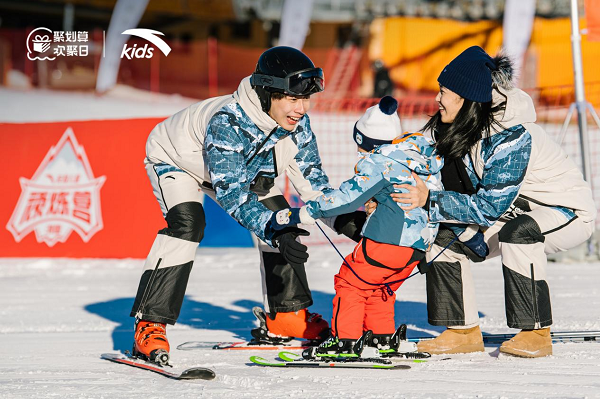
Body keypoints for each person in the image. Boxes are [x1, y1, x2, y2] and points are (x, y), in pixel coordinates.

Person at [130, 46, 366, 364]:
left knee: (282, 217)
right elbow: (233, 196)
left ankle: (287, 315)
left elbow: (316, 190)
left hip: (245, 170)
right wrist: (273, 230)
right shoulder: (227, 123)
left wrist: (362, 229)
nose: (302, 108)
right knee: (188, 224)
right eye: (293, 99)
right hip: (177, 160)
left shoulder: (299, 126)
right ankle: (149, 324)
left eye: (306, 100)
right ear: (268, 93)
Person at [395, 46, 596, 358]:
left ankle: (536, 332)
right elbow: (425, 164)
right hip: (511, 212)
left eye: (444, 91)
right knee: (443, 238)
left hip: (566, 212)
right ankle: (461, 330)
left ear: (465, 96)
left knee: (520, 231)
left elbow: (489, 207)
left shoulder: (512, 136)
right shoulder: (459, 125)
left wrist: (429, 199)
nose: (437, 98)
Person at [268, 96, 444, 355]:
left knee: (350, 283)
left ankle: (345, 341)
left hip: (388, 240)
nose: (359, 153)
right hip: (420, 244)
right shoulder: (419, 159)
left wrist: (304, 214)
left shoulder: (380, 162)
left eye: (360, 147)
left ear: (368, 143)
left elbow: (346, 198)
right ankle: (381, 337)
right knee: (378, 288)